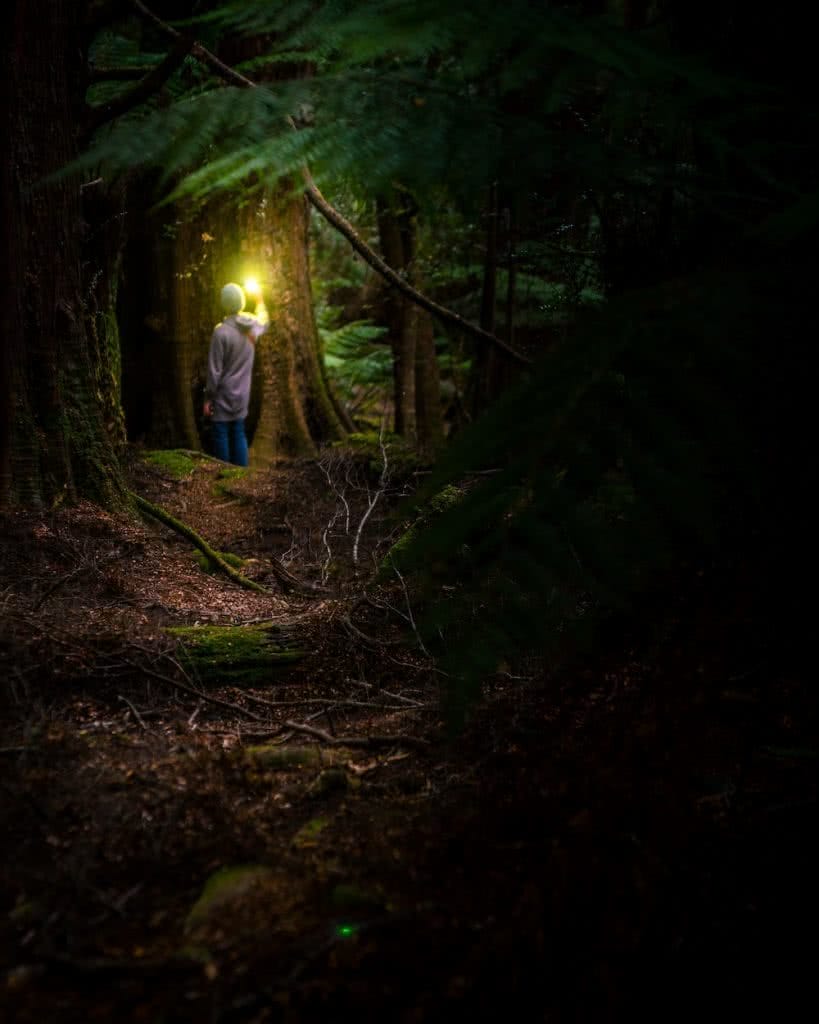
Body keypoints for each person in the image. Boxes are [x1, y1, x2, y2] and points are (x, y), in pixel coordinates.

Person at [203, 281, 268, 466]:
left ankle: (224, 473)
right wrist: (260, 300)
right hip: (243, 394)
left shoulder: (221, 332)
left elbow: (214, 371)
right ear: (241, 301)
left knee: (220, 433)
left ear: (223, 303)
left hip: (222, 394)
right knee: (239, 431)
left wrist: (208, 399)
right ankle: (242, 475)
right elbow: (264, 320)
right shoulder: (252, 326)